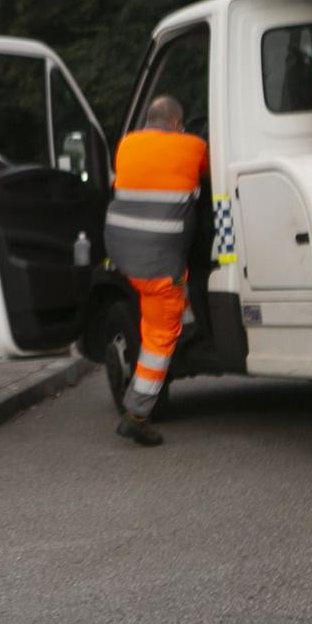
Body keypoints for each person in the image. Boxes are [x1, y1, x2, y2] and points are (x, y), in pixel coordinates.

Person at [105, 95, 210, 446]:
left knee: (172, 303)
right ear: (178, 126)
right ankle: (136, 414)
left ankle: (190, 321)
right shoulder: (192, 146)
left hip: (122, 256)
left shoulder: (126, 144)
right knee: (158, 340)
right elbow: (212, 173)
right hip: (160, 266)